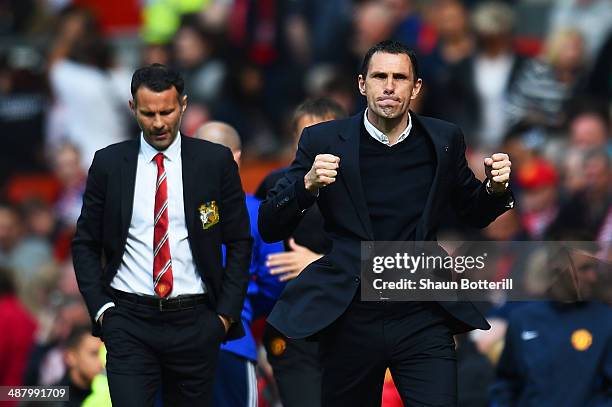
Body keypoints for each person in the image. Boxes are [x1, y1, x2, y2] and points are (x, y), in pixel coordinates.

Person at [258, 40, 514, 406]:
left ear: (416, 87)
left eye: (400, 77)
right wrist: (306, 185)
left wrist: (495, 188)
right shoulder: (323, 139)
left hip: (422, 312)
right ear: (362, 84)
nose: (389, 86)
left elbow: (472, 212)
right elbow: (270, 224)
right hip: (350, 314)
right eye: (380, 76)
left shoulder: (443, 139)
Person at [72, 63, 252, 407]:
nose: (158, 123)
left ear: (183, 104)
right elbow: (85, 243)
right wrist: (102, 311)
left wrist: (224, 316)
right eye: (148, 113)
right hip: (128, 320)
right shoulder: (109, 164)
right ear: (132, 108)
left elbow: (240, 241)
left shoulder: (214, 162)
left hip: (196, 321)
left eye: (167, 111)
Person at [255, 97, 346, 407]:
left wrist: (318, 263)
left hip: (351, 328)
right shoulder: (274, 185)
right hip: (293, 330)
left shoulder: (364, 187)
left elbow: (393, 265)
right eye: (306, 137)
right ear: (294, 141)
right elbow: (254, 252)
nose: (316, 148)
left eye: (324, 135)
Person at [194, 121, 284, 407]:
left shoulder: (167, 210)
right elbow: (274, 283)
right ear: (237, 157)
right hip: (232, 343)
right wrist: (244, 307)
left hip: (173, 347)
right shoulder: (259, 213)